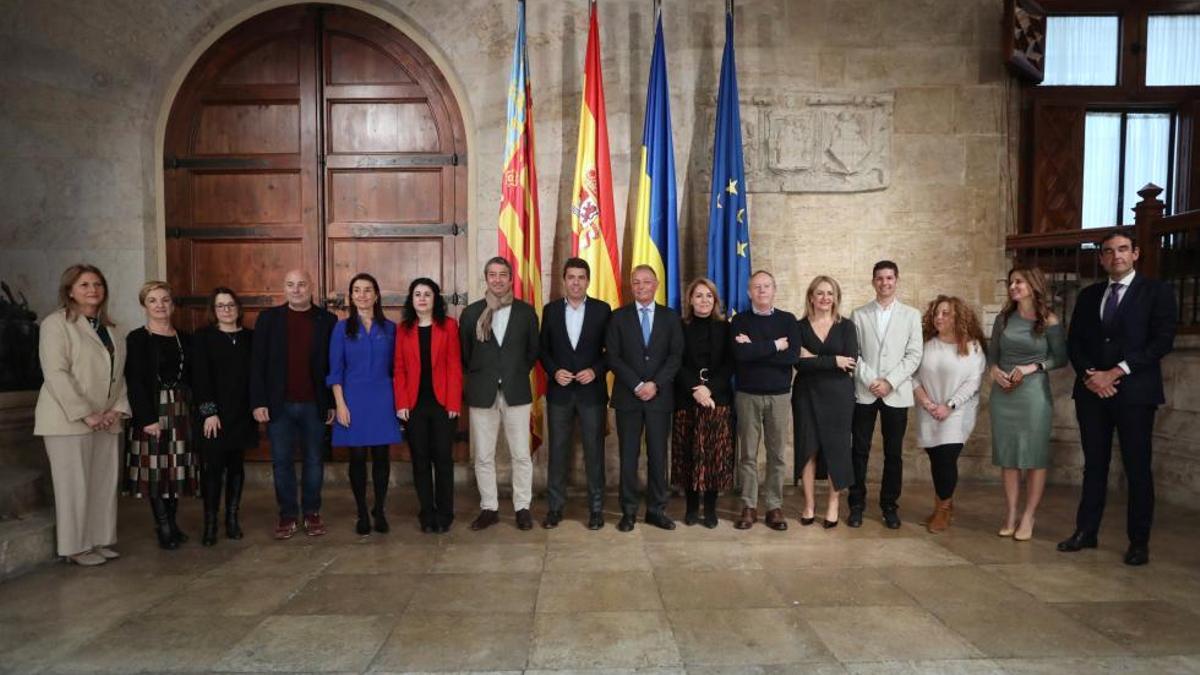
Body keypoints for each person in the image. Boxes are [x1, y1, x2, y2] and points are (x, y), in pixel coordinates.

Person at [1059, 231, 1176, 566]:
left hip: (1135, 394)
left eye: (1123, 250)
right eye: (1109, 252)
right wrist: (1091, 375)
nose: (1116, 256)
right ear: (1101, 258)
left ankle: (1138, 541)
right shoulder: (1089, 295)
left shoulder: (1157, 292)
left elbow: (1161, 341)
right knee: (1094, 465)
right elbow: (1075, 343)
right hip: (1091, 392)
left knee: (1137, 467)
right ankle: (1086, 531)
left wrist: (1117, 371)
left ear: (1136, 253)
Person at [34, 264, 129, 566]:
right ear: (70, 290)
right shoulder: (55, 324)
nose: (93, 290)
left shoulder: (111, 329)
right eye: (85, 284)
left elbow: (119, 374)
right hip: (68, 420)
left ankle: (98, 540)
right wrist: (86, 414)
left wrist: (117, 409)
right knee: (73, 487)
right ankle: (74, 548)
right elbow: (56, 374)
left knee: (102, 484)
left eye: (98, 284)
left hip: (106, 420)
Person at [251, 269, 337, 540]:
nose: (297, 289)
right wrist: (258, 401)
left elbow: (332, 365)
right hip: (279, 405)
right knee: (282, 462)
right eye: (291, 285)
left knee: (314, 461)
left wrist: (332, 403)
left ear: (311, 286)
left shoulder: (328, 320)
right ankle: (287, 515)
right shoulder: (268, 319)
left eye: (302, 284)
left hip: (315, 403)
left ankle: (312, 513)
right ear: (284, 288)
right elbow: (257, 364)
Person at [459, 256, 540, 531]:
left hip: (516, 391)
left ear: (510, 278)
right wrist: (488, 375)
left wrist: (512, 373)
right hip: (482, 392)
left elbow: (532, 353)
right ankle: (489, 508)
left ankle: (522, 507)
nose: (497, 279)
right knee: (483, 454)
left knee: (521, 454)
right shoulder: (471, 314)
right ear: (486, 278)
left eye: (502, 274)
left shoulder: (526, 313)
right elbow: (466, 356)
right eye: (492, 274)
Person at [988, 265, 1066, 542]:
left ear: (1033, 285)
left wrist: (1034, 367)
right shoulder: (1003, 319)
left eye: (1018, 282)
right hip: (1004, 394)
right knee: (1008, 458)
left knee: (1034, 457)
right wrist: (995, 372)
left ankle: (1029, 515)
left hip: (1033, 395)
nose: (1013, 287)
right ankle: (1010, 513)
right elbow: (991, 356)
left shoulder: (1049, 320)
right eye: (1010, 283)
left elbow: (1061, 358)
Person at [607, 265, 683, 532]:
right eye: (636, 282)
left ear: (656, 284)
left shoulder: (670, 318)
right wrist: (638, 384)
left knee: (658, 456)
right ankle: (628, 511)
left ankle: (656, 510)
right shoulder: (618, 317)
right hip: (628, 398)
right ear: (631, 285)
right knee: (628, 456)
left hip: (659, 399)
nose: (641, 287)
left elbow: (675, 357)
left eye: (646, 282)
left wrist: (655, 384)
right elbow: (613, 357)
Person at [124, 280, 199, 550]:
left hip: (180, 410)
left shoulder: (185, 338)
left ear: (172, 304)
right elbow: (135, 381)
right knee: (156, 471)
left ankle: (174, 523)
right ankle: (164, 526)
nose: (160, 305)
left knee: (175, 470)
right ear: (144, 305)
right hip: (153, 411)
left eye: (165, 300)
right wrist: (147, 419)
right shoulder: (137, 338)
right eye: (153, 300)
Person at [849, 260, 923, 529]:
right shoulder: (859, 314)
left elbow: (914, 354)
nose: (884, 283)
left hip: (896, 392)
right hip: (865, 391)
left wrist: (890, 382)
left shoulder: (911, 315)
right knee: (859, 450)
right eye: (879, 278)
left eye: (889, 278)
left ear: (896, 280)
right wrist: (871, 380)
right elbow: (853, 353)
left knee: (893, 453)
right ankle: (856, 505)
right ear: (873, 282)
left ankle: (889, 506)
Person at [329, 273, 403, 535]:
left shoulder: (391, 328)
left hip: (383, 398)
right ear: (351, 297)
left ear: (376, 295)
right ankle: (362, 511)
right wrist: (340, 404)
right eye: (357, 291)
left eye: (368, 290)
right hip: (353, 400)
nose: (362, 295)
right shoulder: (341, 328)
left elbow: (398, 368)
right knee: (358, 457)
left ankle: (379, 509)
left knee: (382, 457)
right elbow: (335, 370)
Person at [540, 258, 611, 530]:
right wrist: (553, 370)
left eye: (581, 277)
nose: (576, 282)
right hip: (559, 392)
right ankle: (555, 508)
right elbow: (542, 349)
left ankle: (596, 509)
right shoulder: (551, 311)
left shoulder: (603, 310)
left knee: (594, 452)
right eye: (571, 277)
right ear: (564, 280)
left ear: (588, 281)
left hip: (591, 393)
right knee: (557, 452)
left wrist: (596, 370)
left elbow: (612, 352)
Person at [730, 270, 800, 531]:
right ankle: (749, 505)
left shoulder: (788, 320)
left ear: (774, 290)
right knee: (748, 454)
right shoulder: (739, 321)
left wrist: (755, 347)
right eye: (756, 287)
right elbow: (740, 356)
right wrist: (774, 346)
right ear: (749, 292)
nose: (761, 291)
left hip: (779, 396)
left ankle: (773, 506)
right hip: (747, 395)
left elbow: (792, 356)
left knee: (776, 454)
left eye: (766, 286)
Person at [911, 295, 986, 534]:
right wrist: (926, 401)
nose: (939, 317)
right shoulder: (925, 344)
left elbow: (973, 382)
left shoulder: (972, 347)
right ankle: (942, 505)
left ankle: (944, 509)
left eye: (946, 313)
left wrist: (949, 405)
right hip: (928, 409)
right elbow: (912, 375)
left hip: (957, 412)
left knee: (946, 458)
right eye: (936, 313)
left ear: (958, 318)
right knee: (936, 459)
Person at [394, 277, 462, 533]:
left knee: (443, 459)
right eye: (417, 294)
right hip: (414, 406)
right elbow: (398, 368)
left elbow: (455, 366)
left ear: (435, 299)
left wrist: (454, 401)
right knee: (420, 460)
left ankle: (445, 513)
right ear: (411, 300)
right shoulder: (403, 330)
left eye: (427, 294)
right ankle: (426, 512)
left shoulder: (449, 326)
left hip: (443, 404)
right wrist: (401, 402)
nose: (422, 298)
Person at [191, 287, 256, 546]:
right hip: (214, 416)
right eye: (221, 306)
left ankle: (232, 519)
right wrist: (209, 412)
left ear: (238, 309)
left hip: (242, 413)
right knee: (213, 470)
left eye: (230, 305)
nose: (226, 310)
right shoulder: (203, 337)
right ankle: (210, 524)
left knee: (237, 468)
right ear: (213, 311)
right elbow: (200, 378)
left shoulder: (251, 337)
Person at [793, 275, 857, 529]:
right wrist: (833, 360)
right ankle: (809, 504)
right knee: (807, 449)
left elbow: (850, 362)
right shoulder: (798, 327)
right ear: (811, 297)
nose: (825, 298)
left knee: (837, 449)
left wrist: (814, 359)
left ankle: (833, 503)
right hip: (805, 395)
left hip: (839, 397)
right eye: (819, 293)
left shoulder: (846, 326)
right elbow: (797, 362)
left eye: (830, 293)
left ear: (836, 297)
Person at [672, 277, 734, 528]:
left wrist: (709, 389)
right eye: (698, 295)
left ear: (715, 300)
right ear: (690, 300)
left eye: (709, 296)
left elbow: (730, 363)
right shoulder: (679, 326)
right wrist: (695, 389)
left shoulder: (726, 328)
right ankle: (690, 507)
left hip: (717, 398)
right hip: (687, 398)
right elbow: (675, 359)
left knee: (714, 455)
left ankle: (709, 509)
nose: (704, 300)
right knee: (689, 454)